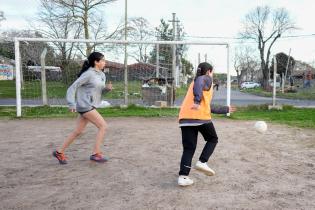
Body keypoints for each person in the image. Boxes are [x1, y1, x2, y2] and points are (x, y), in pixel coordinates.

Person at [177, 62, 236, 186]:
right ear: (209, 71)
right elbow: (200, 83)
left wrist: (225, 109)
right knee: (213, 139)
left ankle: (183, 177)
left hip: (185, 119)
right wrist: (197, 101)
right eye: (212, 72)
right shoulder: (205, 79)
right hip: (200, 117)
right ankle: (202, 162)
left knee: (189, 148)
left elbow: (207, 106)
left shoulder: (194, 83)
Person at [53, 52, 112, 164]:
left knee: (78, 131)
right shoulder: (88, 74)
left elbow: (98, 92)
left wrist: (107, 89)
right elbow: (72, 87)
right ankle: (96, 153)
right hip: (85, 105)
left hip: (90, 105)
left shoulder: (102, 75)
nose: (105, 62)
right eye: (103, 60)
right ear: (96, 62)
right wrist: (71, 103)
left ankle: (59, 152)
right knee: (103, 126)